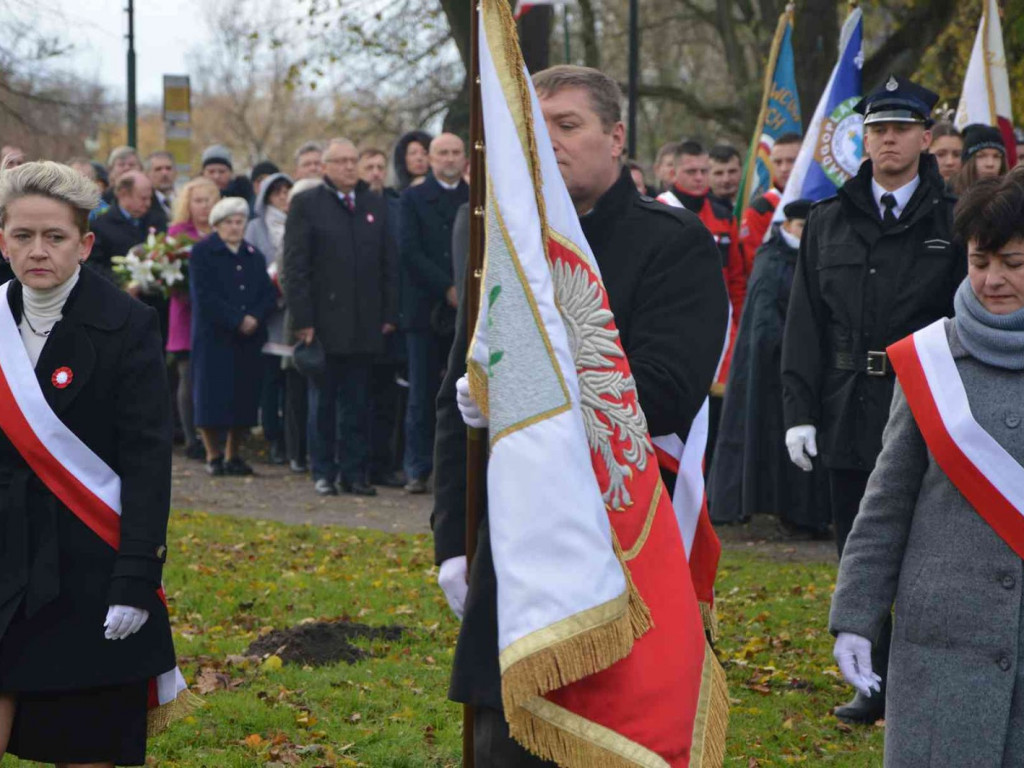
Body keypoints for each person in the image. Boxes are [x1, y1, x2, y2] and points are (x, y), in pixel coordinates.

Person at [432, 64, 728, 766]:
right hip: (511, 538)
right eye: (539, 131)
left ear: (616, 136)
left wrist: (521, 391)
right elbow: (456, 397)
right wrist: (451, 536)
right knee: (506, 745)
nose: (552, 143)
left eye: (568, 126)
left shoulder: (672, 241)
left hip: (622, 540)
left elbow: (661, 392)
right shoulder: (489, 236)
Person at [782, 75, 965, 724]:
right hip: (847, 403)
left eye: (901, 129)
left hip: (927, 401)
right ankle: (874, 678)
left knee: (926, 546)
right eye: (877, 130)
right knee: (856, 543)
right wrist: (798, 412)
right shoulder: (830, 220)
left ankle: (920, 679)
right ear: (864, 139)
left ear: (923, 137)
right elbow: (802, 324)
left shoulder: (954, 219)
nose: (888, 139)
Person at [829, 170, 1024, 765]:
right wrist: (855, 617)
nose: (993, 279)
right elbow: (886, 502)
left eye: (1013, 262)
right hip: (944, 641)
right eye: (980, 260)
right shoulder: (929, 361)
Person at [0, 160, 178, 766]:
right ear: (3, 240)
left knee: (90, 744)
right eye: (22, 236)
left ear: (86, 244)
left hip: (88, 569)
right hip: (3, 563)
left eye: (55, 237)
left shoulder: (128, 324)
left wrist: (135, 575)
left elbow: (149, 460)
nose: (37, 251)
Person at [707, 199, 830, 537]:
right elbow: (764, 320)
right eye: (801, 228)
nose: (806, 235)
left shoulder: (815, 257)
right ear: (787, 226)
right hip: (770, 366)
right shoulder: (772, 258)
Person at [284, 138, 398, 497]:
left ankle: (354, 473)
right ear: (326, 167)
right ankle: (324, 471)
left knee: (358, 403)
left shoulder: (373, 203)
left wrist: (389, 313)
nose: (350, 167)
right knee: (324, 402)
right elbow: (296, 266)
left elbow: (387, 263)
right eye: (342, 161)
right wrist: (302, 320)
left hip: (365, 321)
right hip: (323, 323)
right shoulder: (306, 204)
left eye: (354, 160)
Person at [657, 139, 745, 472]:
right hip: (672, 327)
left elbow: (736, 277)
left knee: (716, 412)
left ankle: (711, 487)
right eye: (691, 171)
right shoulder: (657, 210)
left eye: (703, 171)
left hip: (718, 328)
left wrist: (736, 325)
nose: (699, 178)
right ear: (673, 171)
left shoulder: (723, 215)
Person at [398, 132, 469, 494]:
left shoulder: (474, 196)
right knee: (421, 393)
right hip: (425, 308)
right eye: (443, 153)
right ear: (429, 157)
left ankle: (460, 469)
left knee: (465, 391)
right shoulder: (411, 198)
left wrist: (464, 288)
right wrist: (447, 286)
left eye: (456, 152)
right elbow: (409, 251)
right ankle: (418, 467)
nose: (450, 159)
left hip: (468, 309)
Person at [190, 197, 276, 476]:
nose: (235, 227)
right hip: (215, 336)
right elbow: (204, 296)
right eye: (229, 222)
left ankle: (233, 454)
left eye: (239, 222)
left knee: (243, 397)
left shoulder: (253, 254)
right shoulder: (203, 252)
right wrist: (236, 319)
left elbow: (266, 293)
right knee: (211, 396)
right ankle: (213, 454)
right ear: (217, 225)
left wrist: (254, 317)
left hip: (247, 339)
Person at [359, 147, 407, 487]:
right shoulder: (352, 207)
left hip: (391, 316)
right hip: (358, 316)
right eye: (369, 167)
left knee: (386, 398)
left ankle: (382, 463)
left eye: (380, 167)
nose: (376, 172)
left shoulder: (395, 205)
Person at [167, 178, 219, 462]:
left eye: (208, 201)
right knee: (187, 376)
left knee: (210, 376)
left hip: (213, 316)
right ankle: (191, 437)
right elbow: (167, 272)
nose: (203, 206)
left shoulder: (220, 233)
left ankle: (212, 433)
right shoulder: (177, 234)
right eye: (198, 201)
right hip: (186, 314)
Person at [245, 172, 293, 465]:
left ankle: (290, 438)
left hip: (291, 312)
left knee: (291, 381)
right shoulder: (255, 227)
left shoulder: (298, 221)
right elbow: (252, 266)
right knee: (270, 381)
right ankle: (272, 437)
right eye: (277, 193)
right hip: (266, 311)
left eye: (287, 191)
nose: (283, 197)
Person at [278, 177, 323, 474]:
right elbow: (287, 274)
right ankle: (296, 451)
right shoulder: (293, 232)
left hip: (328, 319)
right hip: (299, 320)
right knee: (296, 390)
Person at [90, 170, 168, 281]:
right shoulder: (99, 226)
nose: (148, 203)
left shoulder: (157, 220)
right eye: (143, 198)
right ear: (123, 194)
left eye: (150, 198)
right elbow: (93, 267)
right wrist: (121, 281)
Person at [740, 131, 802, 265]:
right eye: (778, 162)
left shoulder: (822, 199)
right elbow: (754, 263)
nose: (784, 168)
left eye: (791, 161)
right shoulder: (759, 210)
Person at [954, 123, 1009, 194]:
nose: (990, 164)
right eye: (981, 156)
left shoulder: (1014, 200)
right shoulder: (949, 200)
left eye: (996, 156)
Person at [146, 151, 177, 219]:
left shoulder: (185, 199)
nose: (164, 173)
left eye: (168, 168)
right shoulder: (145, 203)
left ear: (175, 172)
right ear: (148, 174)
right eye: (158, 169)